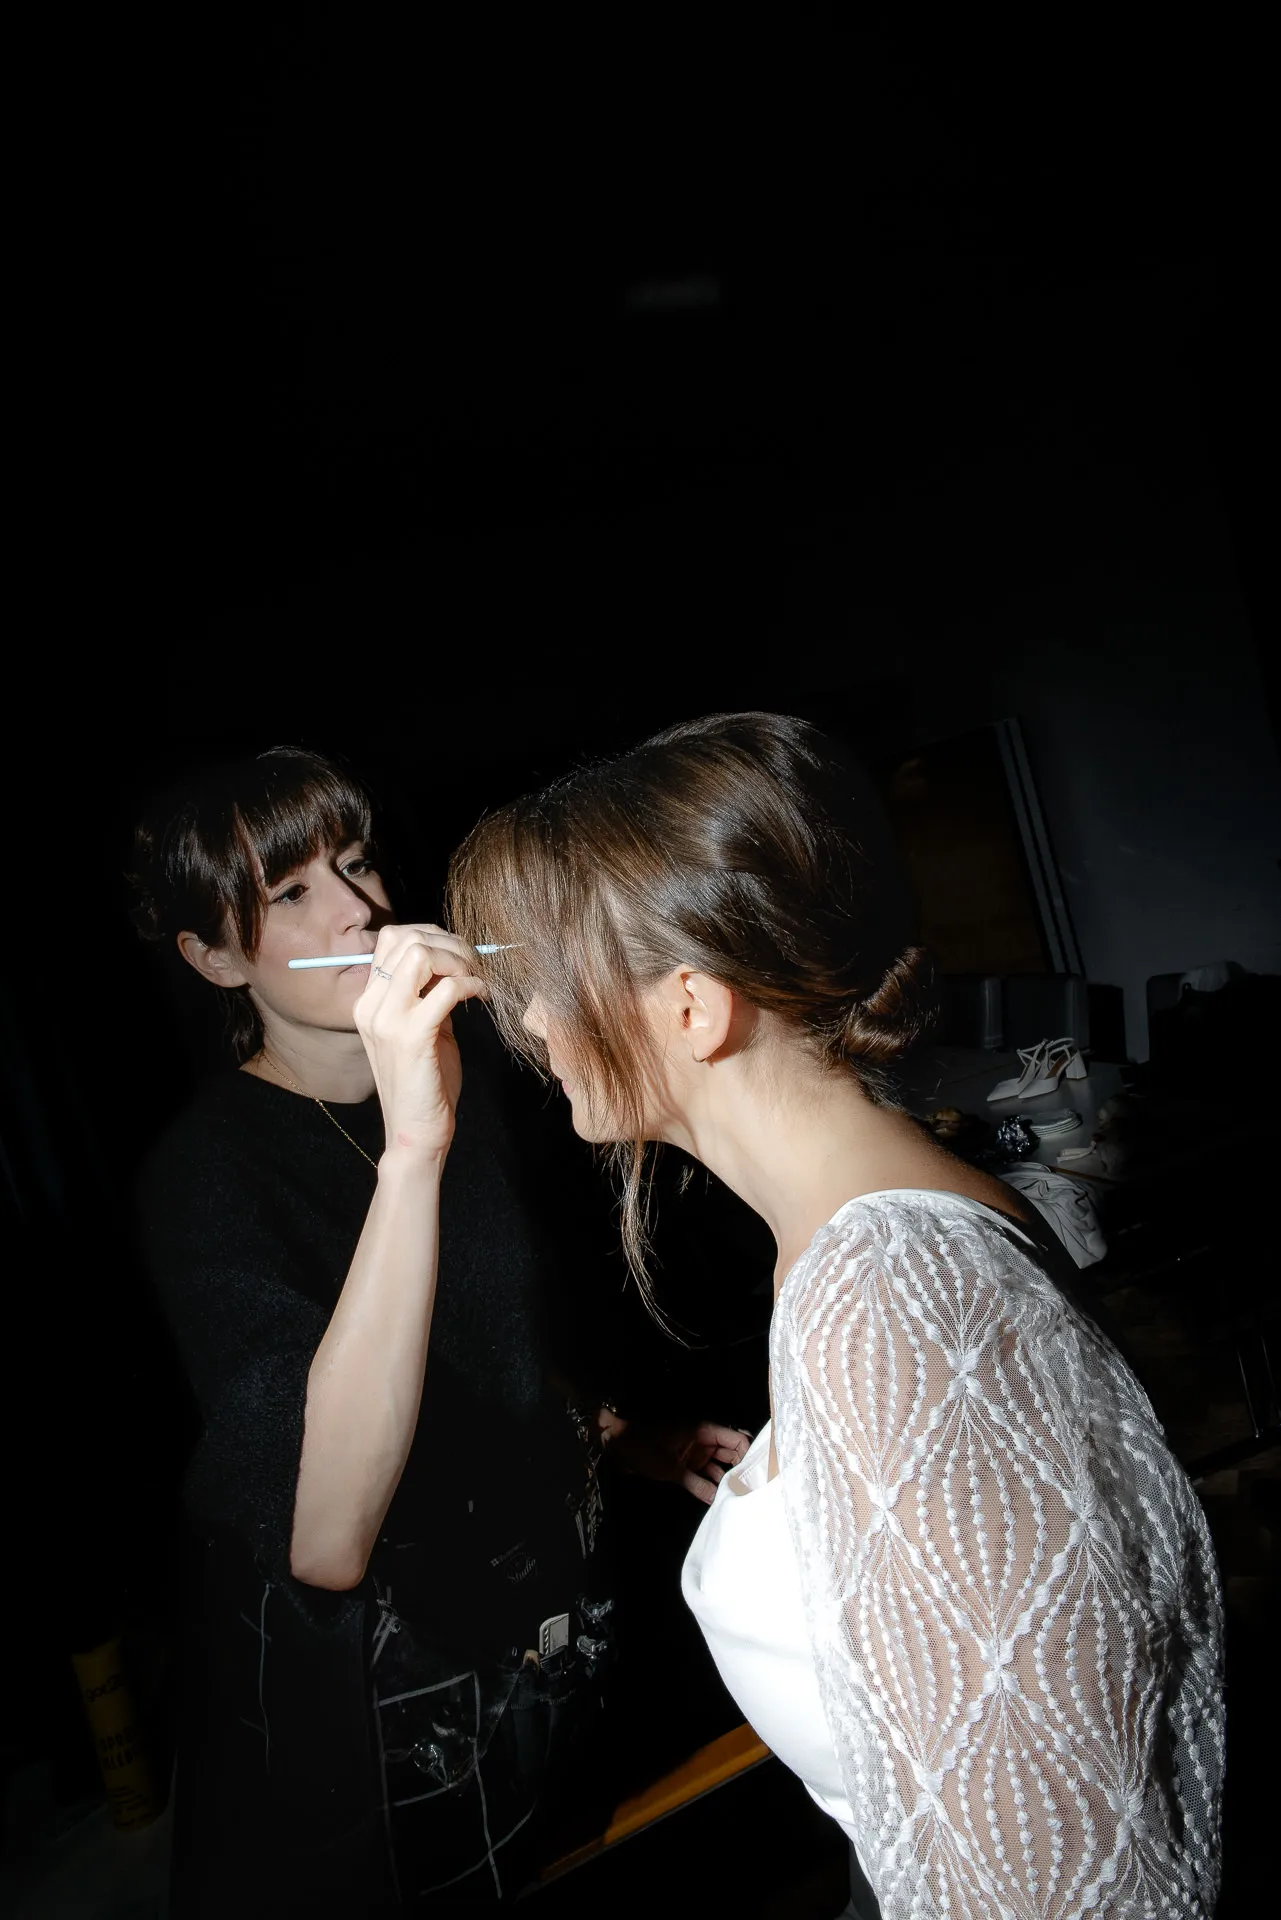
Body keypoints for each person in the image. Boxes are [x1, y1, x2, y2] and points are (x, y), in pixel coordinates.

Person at [445, 711, 1226, 1920]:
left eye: (552, 985)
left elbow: (1063, 1872)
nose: (534, 1026)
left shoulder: (882, 1294)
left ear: (694, 1008)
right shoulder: (866, 1231)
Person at [128, 745, 747, 1918]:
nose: (361, 910)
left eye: (356, 864)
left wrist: (627, 1440)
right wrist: (415, 1144)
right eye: (292, 893)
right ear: (211, 958)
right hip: (404, 1710)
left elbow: (487, 1340)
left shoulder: (474, 1084)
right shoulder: (206, 1179)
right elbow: (323, 1535)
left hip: (558, 1648)